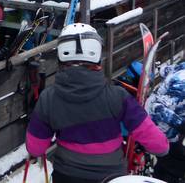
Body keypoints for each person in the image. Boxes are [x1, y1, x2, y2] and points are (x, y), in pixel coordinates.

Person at [26, 23, 168, 183]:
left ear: (61, 57)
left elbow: (35, 148)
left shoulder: (48, 98)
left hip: (66, 176)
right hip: (111, 176)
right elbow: (157, 143)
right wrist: (163, 148)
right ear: (97, 57)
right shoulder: (117, 96)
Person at [148, 62, 185, 182]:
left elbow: (167, 70)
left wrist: (162, 69)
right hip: (163, 129)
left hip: (173, 126)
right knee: (175, 163)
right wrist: (181, 124)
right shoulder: (182, 84)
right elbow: (158, 107)